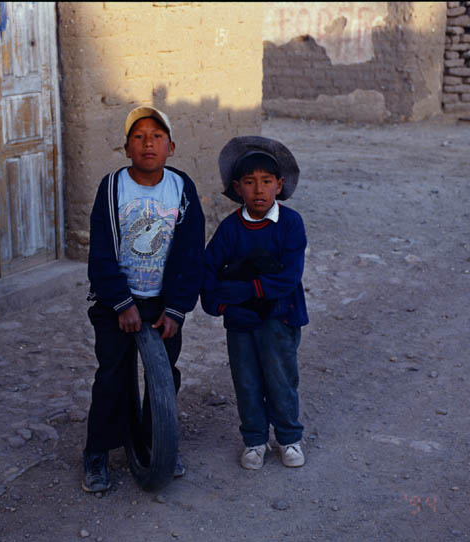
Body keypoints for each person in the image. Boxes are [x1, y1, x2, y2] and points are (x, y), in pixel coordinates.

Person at [83, 106, 205, 492]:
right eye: (139, 137)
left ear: (171, 147)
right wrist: (121, 302)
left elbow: (190, 251)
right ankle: (97, 453)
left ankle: (158, 442)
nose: (148, 142)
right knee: (111, 377)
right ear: (126, 148)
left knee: (164, 378)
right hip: (117, 300)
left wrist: (176, 309)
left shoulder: (181, 188)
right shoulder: (113, 187)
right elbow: (100, 250)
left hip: (162, 302)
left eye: (156, 136)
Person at [200, 136, 308, 470]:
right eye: (249, 183)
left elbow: (288, 276)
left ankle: (289, 437)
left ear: (280, 184)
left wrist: (243, 289)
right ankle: (254, 440)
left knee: (280, 377)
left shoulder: (290, 224)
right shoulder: (231, 228)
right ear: (237, 187)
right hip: (241, 323)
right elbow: (208, 266)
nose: (258, 190)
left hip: (280, 318)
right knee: (246, 380)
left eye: (265, 182)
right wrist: (217, 302)